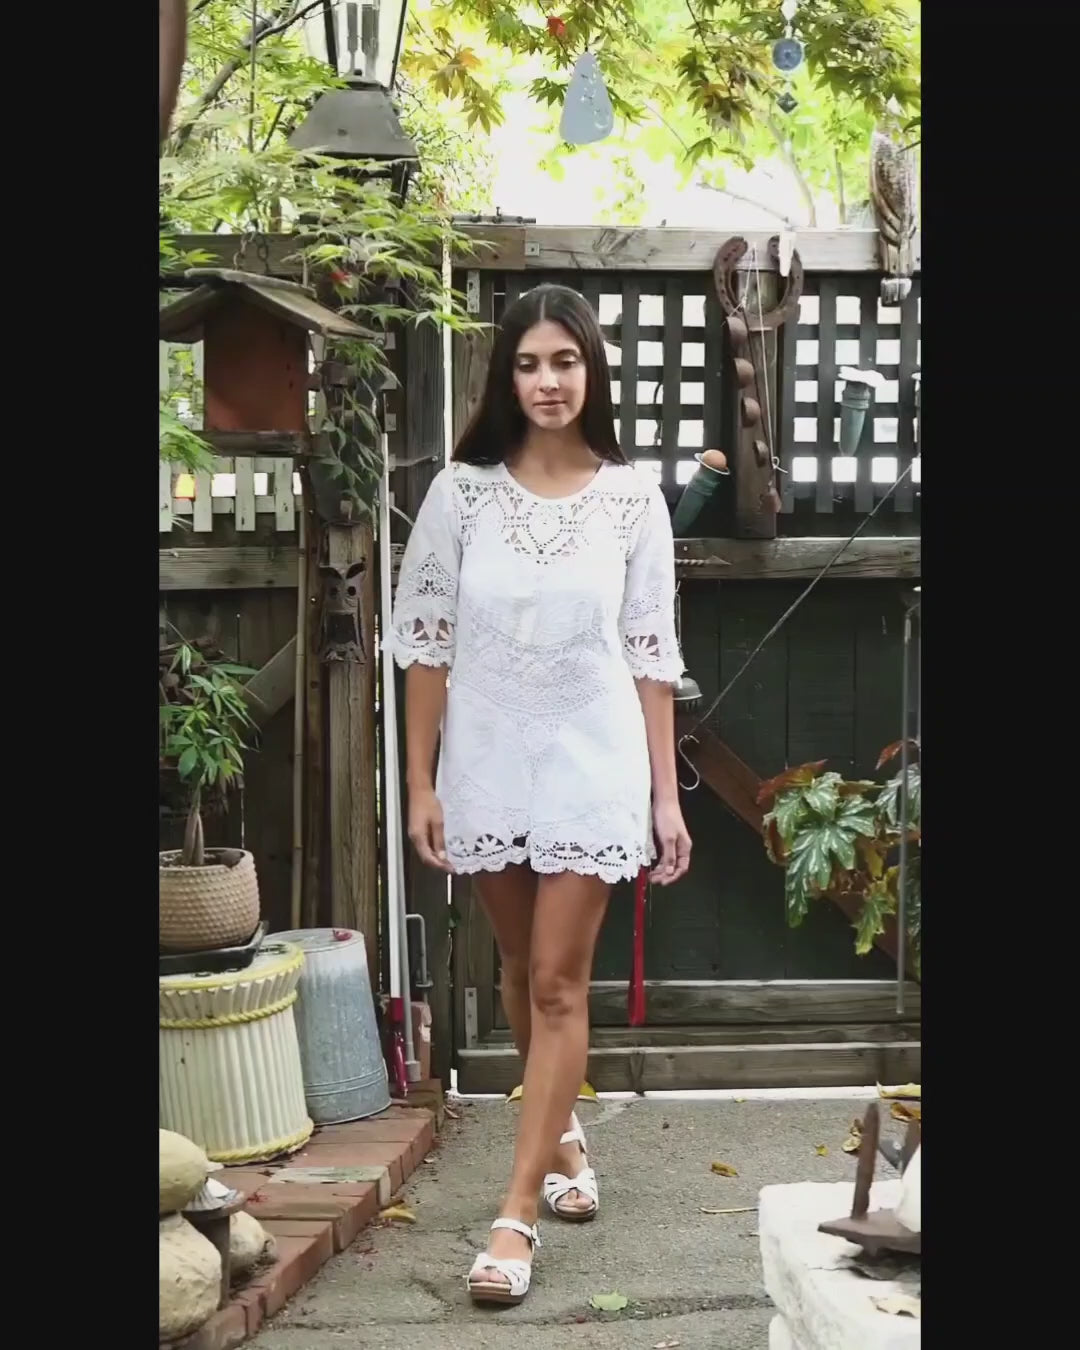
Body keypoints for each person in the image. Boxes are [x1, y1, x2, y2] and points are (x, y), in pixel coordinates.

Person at [390, 284, 692, 1305]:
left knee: (560, 982)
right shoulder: (459, 495)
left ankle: (514, 1215)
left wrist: (666, 799)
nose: (549, 380)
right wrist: (421, 784)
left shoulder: (631, 498)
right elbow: (424, 648)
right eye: (530, 363)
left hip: (594, 760)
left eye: (566, 361)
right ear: (506, 378)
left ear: (593, 370)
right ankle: (559, 1132)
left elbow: (650, 655)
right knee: (519, 967)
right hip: (484, 758)